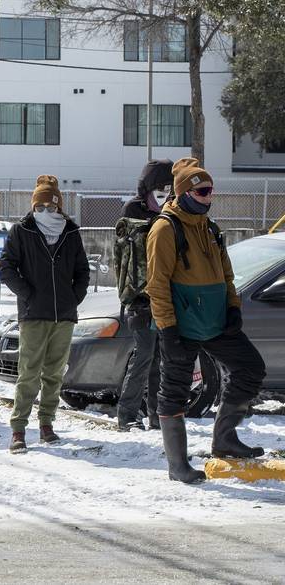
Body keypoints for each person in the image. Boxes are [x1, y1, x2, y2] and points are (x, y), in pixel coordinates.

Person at [147, 158, 267, 484]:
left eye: (211, 190)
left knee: (250, 368)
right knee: (174, 392)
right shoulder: (164, 229)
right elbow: (156, 284)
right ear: (185, 191)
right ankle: (177, 465)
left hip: (215, 323)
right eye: (202, 190)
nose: (208, 196)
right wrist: (168, 327)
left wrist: (233, 307)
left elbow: (227, 274)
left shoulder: (209, 227)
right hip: (182, 326)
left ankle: (225, 439)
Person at [0, 175, 91, 453]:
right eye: (39, 206)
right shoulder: (21, 231)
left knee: (54, 374)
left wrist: (73, 298)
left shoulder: (71, 232)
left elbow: (82, 272)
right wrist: (28, 294)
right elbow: (7, 268)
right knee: (28, 373)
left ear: (58, 206)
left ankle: (46, 424)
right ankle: (18, 429)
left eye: (50, 207)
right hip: (33, 314)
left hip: (63, 316)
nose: (44, 212)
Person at [113, 159, 175, 431]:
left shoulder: (171, 212)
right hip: (139, 297)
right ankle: (127, 414)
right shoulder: (133, 210)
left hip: (164, 297)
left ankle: (155, 414)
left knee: (160, 358)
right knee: (143, 355)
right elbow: (128, 255)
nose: (163, 201)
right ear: (147, 189)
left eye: (168, 195)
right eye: (159, 194)